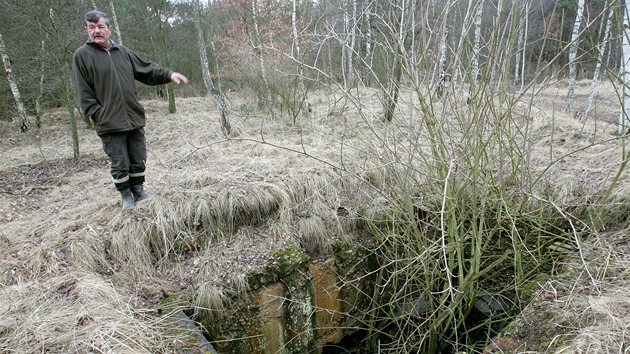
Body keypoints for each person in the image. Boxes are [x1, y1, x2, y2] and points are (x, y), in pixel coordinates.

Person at [73, 10, 188, 210]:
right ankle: (126, 196)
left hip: (133, 118)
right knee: (120, 162)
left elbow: (147, 70)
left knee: (138, 158)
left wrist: (169, 74)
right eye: (92, 28)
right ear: (87, 30)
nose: (96, 31)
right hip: (109, 122)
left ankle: (139, 191)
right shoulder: (82, 56)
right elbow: (82, 92)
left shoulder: (122, 52)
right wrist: (98, 114)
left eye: (100, 27)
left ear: (109, 29)